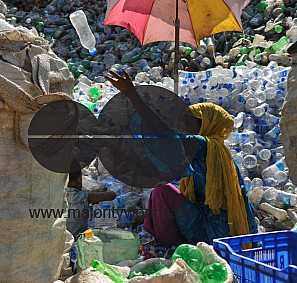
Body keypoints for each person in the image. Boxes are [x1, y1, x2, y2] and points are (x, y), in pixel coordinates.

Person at [104, 70, 257, 246]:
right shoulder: (211, 152)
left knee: (162, 191)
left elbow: (166, 134)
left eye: (188, 123)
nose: (184, 128)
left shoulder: (206, 146)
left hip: (217, 231)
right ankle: (157, 236)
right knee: (165, 194)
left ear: (205, 124)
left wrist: (132, 94)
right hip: (215, 224)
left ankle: (167, 247)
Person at [65, 166, 116, 240]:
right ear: (79, 180)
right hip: (78, 239)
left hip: (62, 239)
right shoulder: (82, 196)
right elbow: (112, 195)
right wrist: (104, 189)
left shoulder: (59, 196)